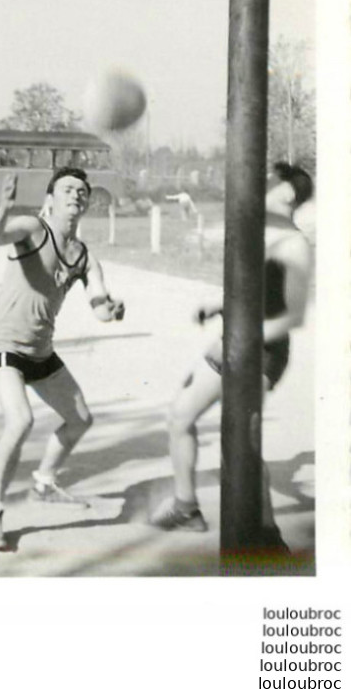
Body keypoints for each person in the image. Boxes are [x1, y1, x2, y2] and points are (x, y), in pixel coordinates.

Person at [150, 161, 314, 550]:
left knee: (241, 437)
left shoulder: (294, 244)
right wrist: (219, 304)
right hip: (232, 343)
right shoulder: (261, 234)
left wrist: (243, 338)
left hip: (264, 351)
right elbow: (254, 293)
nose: (263, 185)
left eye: (272, 182)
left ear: (289, 195)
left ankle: (268, 536)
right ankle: (186, 507)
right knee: (180, 416)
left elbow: (291, 314)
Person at [0, 167, 125, 551]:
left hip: (41, 351)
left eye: (82, 191)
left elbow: (101, 309)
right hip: (5, 343)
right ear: (50, 199)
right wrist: (4, 206)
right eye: (67, 189)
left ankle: (44, 482)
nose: (75, 195)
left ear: (87, 203)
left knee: (80, 418)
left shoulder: (86, 258)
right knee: (21, 420)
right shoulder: (32, 228)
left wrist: (114, 309)